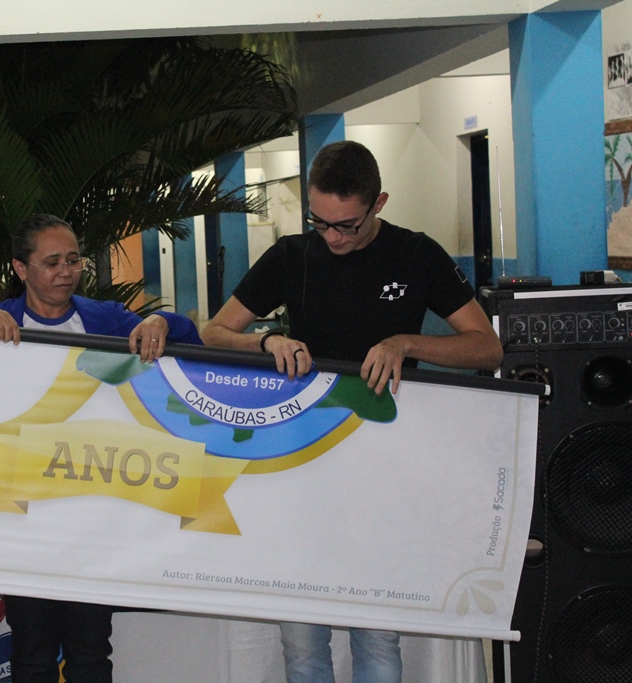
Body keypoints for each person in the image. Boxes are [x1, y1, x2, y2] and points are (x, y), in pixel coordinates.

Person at [200, 141, 503, 683]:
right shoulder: (291, 256)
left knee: (377, 639)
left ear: (378, 203)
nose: (333, 237)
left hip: (384, 470)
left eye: (347, 225)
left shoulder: (416, 254)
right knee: (302, 644)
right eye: (320, 222)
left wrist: (406, 342)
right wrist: (267, 341)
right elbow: (214, 332)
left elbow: (487, 348)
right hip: (301, 464)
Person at [0, 213, 202, 683]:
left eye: (73, 260)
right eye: (52, 263)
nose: (66, 272)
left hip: (92, 517)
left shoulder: (104, 318)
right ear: (21, 269)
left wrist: (159, 320)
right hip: (24, 517)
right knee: (32, 654)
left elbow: (189, 338)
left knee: (91, 654)